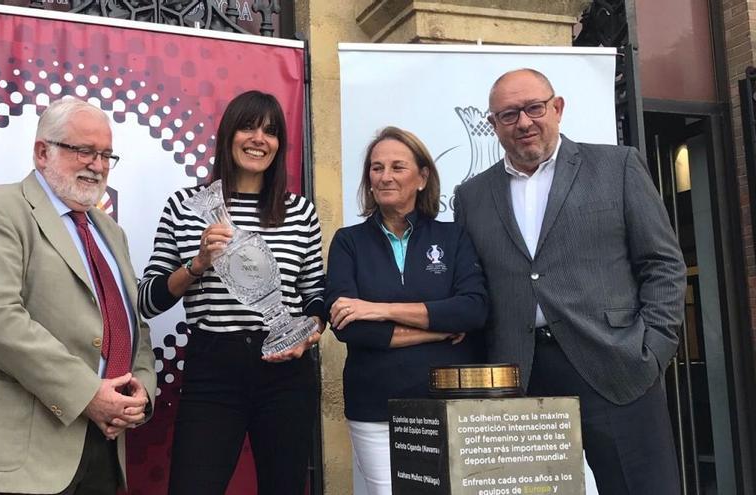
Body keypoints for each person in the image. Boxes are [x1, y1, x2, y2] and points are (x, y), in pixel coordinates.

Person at [452, 68, 686, 494]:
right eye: (508, 115)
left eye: (534, 108)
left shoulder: (618, 166)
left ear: (557, 108)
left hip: (615, 363)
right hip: (519, 374)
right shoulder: (471, 196)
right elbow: (475, 287)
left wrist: (653, 350)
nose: (523, 123)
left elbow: (662, 264)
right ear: (493, 125)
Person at [0, 98, 157, 495]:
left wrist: (141, 394)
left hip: (104, 448)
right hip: (25, 458)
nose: (97, 165)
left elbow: (136, 327)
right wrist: (87, 394)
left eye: (105, 154)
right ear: (42, 151)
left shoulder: (111, 232)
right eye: (84, 151)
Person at [138, 90, 324, 495]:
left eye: (271, 132)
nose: (259, 139)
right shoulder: (184, 206)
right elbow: (148, 300)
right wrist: (197, 265)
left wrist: (310, 330)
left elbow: (314, 294)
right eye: (248, 127)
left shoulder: (300, 211)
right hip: (214, 368)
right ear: (228, 135)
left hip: (286, 373)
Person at [326, 126, 488, 495]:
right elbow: (349, 326)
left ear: (422, 176)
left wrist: (378, 309)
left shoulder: (453, 237)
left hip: (450, 404)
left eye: (398, 167)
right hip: (375, 406)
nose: (385, 177)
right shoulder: (348, 242)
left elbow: (472, 310)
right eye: (376, 167)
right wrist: (437, 329)